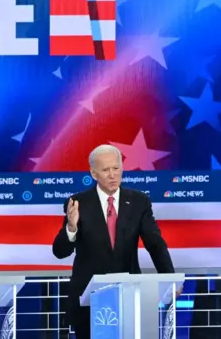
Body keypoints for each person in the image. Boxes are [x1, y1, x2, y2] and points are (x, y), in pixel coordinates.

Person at [52, 144, 177, 339]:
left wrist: (170, 279)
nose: (112, 175)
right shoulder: (77, 203)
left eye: (116, 168)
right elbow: (60, 251)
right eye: (105, 170)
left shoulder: (138, 201)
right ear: (93, 174)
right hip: (88, 299)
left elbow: (155, 243)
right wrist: (71, 227)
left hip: (128, 295)